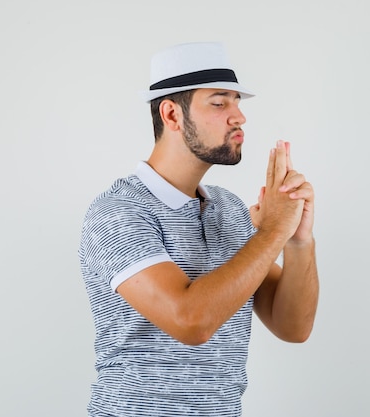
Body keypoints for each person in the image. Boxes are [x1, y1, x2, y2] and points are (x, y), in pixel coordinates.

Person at [78, 42, 319, 417]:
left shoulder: (228, 209)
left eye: (238, 102)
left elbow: (293, 327)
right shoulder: (118, 211)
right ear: (172, 114)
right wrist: (271, 232)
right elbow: (191, 322)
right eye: (220, 103)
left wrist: (298, 239)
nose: (239, 117)